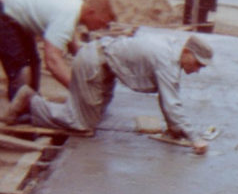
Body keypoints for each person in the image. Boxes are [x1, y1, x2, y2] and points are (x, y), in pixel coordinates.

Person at [4, 33, 214, 155]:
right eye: (197, 64)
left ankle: (33, 111)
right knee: (82, 124)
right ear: (187, 53)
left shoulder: (171, 52)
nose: (197, 70)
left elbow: (167, 96)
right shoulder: (168, 61)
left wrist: (175, 128)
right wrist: (194, 138)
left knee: (95, 115)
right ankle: (31, 101)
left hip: (101, 64)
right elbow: (171, 102)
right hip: (93, 64)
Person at [0, 0, 115, 99]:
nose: (101, 27)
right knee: (22, 70)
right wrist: (80, 92)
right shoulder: (68, 15)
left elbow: (74, 48)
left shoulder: (76, 6)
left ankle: (29, 102)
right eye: (102, 22)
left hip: (15, 9)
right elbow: (52, 62)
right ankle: (17, 111)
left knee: (33, 62)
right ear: (91, 12)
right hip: (6, 11)